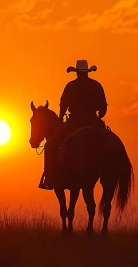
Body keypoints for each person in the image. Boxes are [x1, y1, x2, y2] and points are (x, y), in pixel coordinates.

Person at [38, 60, 108, 190]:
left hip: (74, 121)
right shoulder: (96, 85)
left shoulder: (70, 86)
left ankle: (48, 177)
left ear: (76, 73)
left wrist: (60, 118)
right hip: (94, 121)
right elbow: (103, 108)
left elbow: (63, 105)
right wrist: (98, 117)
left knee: (51, 144)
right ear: (87, 72)